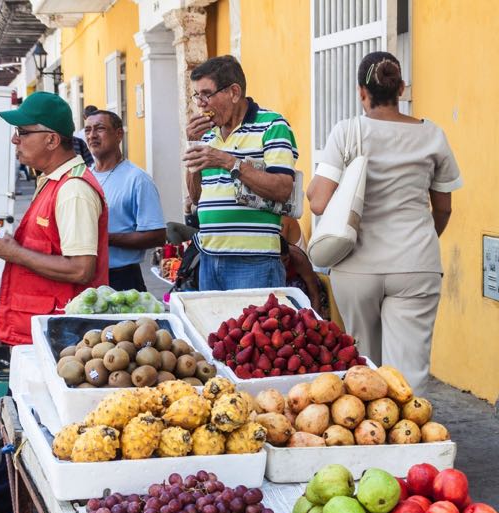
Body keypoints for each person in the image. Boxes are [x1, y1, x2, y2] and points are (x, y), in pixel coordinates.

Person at [0, 92, 109, 513]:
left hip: (59, 331)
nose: (14, 140)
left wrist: (13, 251)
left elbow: (81, 267)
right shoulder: (54, 182)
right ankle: (13, 503)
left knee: (50, 424)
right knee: (33, 420)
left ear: (50, 138)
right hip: (42, 327)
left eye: (22, 132)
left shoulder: (75, 191)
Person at [307, 52, 461, 390]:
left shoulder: (347, 132)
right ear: (402, 89)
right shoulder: (432, 135)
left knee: (362, 368)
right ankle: (414, 437)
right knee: (409, 373)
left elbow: (318, 202)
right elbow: (444, 208)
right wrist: (421, 239)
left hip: (356, 264)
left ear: (362, 92)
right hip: (415, 263)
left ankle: (371, 440)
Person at [182, 55, 298, 291]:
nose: (200, 103)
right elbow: (196, 197)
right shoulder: (206, 135)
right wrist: (192, 144)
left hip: (253, 261)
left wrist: (229, 162)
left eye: (207, 94)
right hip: (209, 255)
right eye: (196, 95)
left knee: (251, 328)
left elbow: (283, 189)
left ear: (234, 92)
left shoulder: (272, 125)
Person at [86, 109, 166, 291]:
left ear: (118, 134)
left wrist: (104, 238)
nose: (92, 135)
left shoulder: (137, 179)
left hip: (122, 279)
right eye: (88, 130)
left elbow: (157, 235)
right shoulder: (83, 177)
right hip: (85, 277)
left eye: (99, 129)